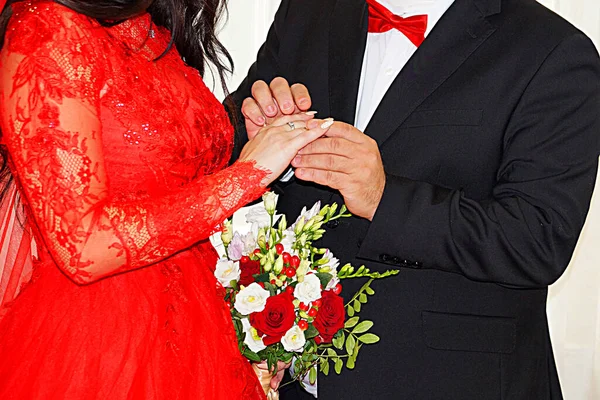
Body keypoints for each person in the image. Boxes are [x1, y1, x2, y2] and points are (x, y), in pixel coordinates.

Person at [231, 0, 600, 398]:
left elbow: (537, 240)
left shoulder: (553, 49)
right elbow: (220, 146)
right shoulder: (307, 11)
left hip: (452, 382)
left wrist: (384, 198)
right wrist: (261, 142)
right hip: (292, 380)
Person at [0, 0, 330, 398]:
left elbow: (181, 184)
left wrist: (261, 136)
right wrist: (249, 172)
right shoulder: (47, 26)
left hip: (204, 323)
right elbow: (82, 245)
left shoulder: (152, 28)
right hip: (102, 342)